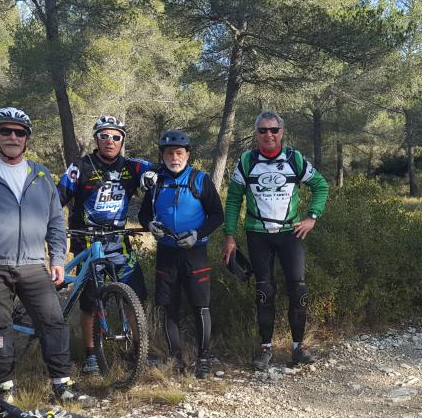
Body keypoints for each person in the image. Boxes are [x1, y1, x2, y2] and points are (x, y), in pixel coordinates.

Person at [0, 107, 87, 403]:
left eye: (19, 132)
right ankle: (4, 390)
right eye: (6, 131)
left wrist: (58, 259)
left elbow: (56, 220)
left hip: (33, 264)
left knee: (53, 322)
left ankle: (62, 385)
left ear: (27, 138)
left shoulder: (40, 174)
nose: (13, 137)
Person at [221, 111, 329, 370]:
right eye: (263, 130)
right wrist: (229, 236)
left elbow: (321, 186)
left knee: (298, 290)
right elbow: (233, 199)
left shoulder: (294, 158)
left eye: (273, 130)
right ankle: (265, 349)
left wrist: (312, 217)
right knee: (264, 292)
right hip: (258, 235)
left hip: (290, 234)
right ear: (256, 133)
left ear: (281, 132)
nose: (268, 135)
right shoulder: (246, 161)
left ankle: (298, 348)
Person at [57, 116, 156, 374]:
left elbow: (161, 168)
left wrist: (151, 176)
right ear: (96, 139)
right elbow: (56, 198)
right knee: (90, 302)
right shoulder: (80, 167)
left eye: (115, 137)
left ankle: (139, 351)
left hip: (119, 242)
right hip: (88, 243)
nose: (109, 141)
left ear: (122, 141)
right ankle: (91, 355)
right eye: (104, 136)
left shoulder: (132, 166)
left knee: (135, 297)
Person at [138, 130, 224, 378]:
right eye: (169, 153)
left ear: (187, 155)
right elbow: (144, 214)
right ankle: (175, 359)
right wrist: (149, 225)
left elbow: (217, 215)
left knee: (200, 306)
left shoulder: (200, 179)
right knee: (169, 307)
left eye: (179, 153)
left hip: (195, 253)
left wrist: (197, 234)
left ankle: (204, 358)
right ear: (162, 156)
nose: (174, 158)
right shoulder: (156, 183)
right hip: (166, 253)